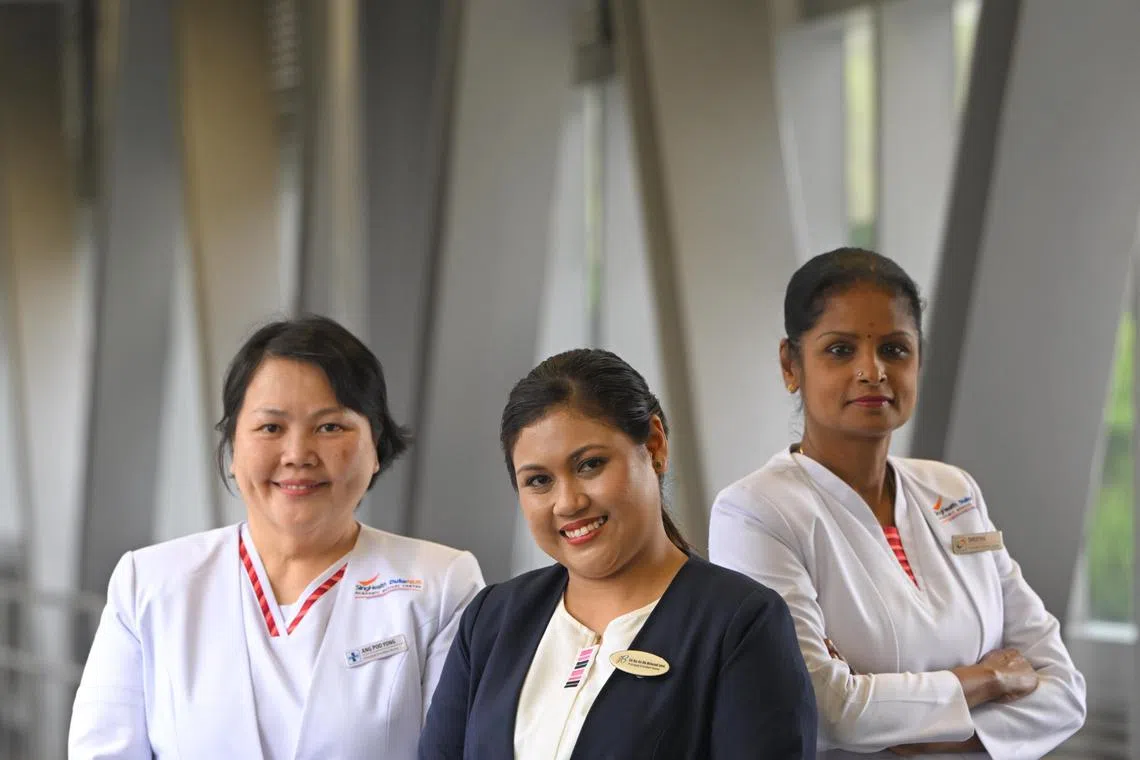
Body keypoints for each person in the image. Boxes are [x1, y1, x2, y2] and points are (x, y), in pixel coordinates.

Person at [708, 248, 1086, 758]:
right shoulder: (755, 513)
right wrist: (988, 678)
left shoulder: (954, 490)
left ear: (918, 359)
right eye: (840, 350)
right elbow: (825, 707)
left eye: (894, 349)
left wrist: (916, 738)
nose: (873, 371)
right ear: (790, 364)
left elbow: (1063, 689)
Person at [69, 315, 485, 759]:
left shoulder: (441, 586)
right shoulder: (148, 583)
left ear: (376, 447)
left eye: (330, 427)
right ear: (232, 448)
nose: (297, 455)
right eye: (271, 427)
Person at [419, 348, 817, 759]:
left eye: (590, 465)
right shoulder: (493, 620)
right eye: (539, 480)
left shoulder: (739, 623)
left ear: (655, 444)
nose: (568, 502)